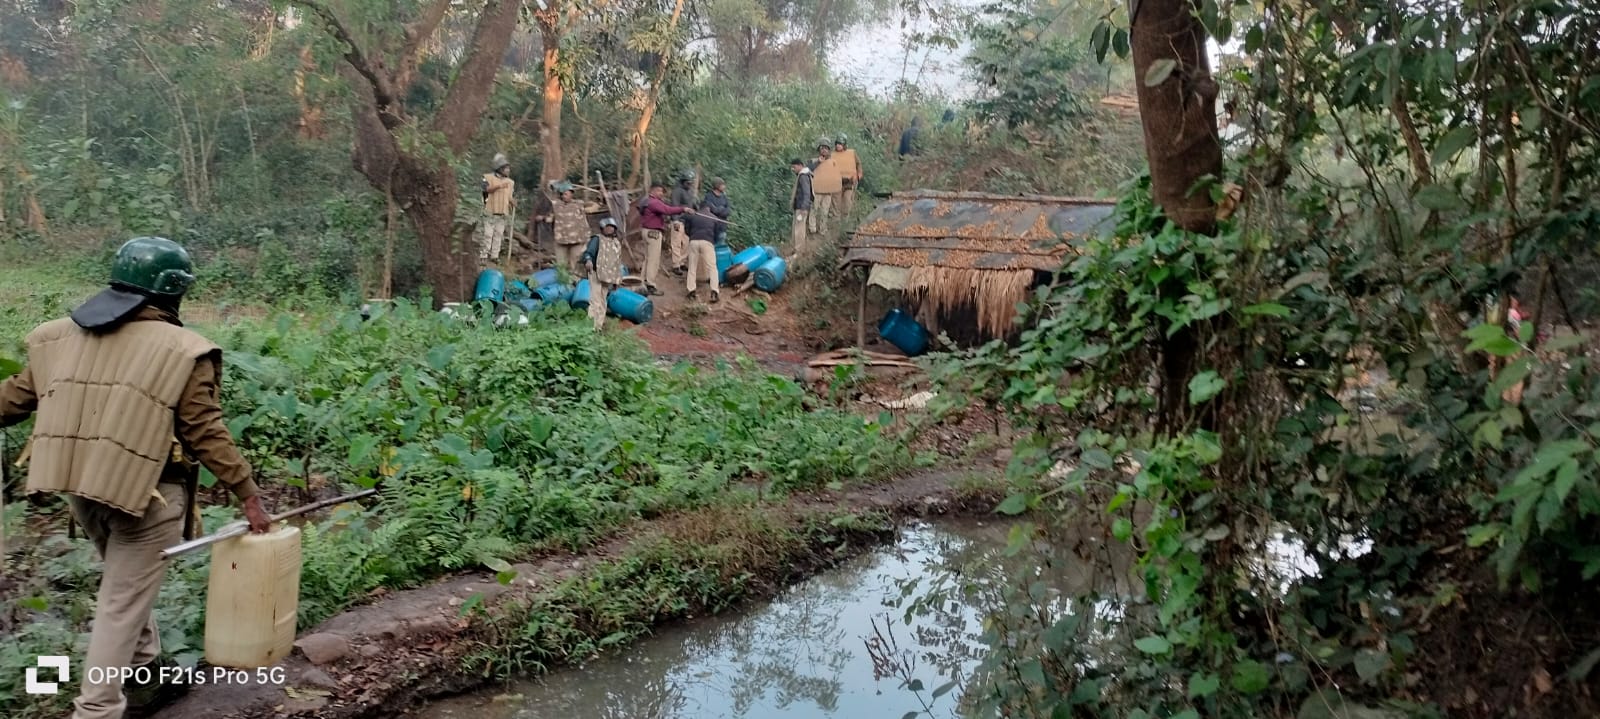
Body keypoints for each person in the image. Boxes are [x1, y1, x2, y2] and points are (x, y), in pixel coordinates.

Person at [0, 237, 272, 719]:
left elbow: (13, 400)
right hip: (147, 497)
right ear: (173, 293)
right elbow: (204, 430)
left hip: (82, 489)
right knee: (121, 603)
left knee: (129, 587)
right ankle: (97, 709)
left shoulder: (60, 337)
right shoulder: (184, 349)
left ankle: (147, 677)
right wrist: (248, 494)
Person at [636, 184, 688, 296]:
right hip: (653, 232)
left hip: (645, 231)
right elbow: (667, 210)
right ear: (653, 191)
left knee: (647, 258)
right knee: (653, 260)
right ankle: (651, 285)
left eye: (662, 191)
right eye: (659, 191)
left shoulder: (645, 201)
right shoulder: (654, 202)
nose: (661, 193)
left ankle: (643, 282)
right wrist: (683, 208)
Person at [580, 218, 624, 330]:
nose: (610, 229)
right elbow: (587, 253)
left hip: (607, 276)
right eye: (607, 227)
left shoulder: (616, 243)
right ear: (602, 228)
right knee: (595, 300)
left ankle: (598, 326)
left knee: (603, 301)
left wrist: (617, 279)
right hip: (595, 273)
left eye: (612, 227)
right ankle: (590, 327)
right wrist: (588, 260)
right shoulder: (597, 239)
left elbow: (617, 262)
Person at [478, 153, 515, 264]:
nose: (508, 171)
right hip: (490, 211)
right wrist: (498, 186)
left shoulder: (510, 182)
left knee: (498, 235)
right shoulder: (487, 178)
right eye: (506, 168)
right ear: (500, 169)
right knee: (488, 234)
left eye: (508, 168)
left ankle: (494, 256)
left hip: (503, 212)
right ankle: (483, 255)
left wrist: (513, 202)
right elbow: (485, 189)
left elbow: (509, 196)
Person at [545, 181, 588, 276]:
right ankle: (562, 282)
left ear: (572, 194)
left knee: (576, 264)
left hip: (576, 239)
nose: (564, 196)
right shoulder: (556, 205)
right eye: (562, 194)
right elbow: (549, 219)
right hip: (561, 239)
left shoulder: (579, 204)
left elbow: (584, 221)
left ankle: (575, 283)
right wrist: (543, 218)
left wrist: (586, 237)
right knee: (561, 265)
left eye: (566, 194)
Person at [682, 203, 721, 303]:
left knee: (692, 267)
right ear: (709, 208)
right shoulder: (714, 218)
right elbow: (717, 234)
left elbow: (687, 230)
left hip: (694, 241)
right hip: (707, 241)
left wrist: (692, 236)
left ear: (700, 207)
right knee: (712, 267)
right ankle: (714, 292)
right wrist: (712, 241)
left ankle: (691, 291)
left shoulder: (693, 216)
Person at [808, 138, 842, 236]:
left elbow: (836, 175)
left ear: (829, 150)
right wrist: (818, 162)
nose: (824, 150)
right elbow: (808, 169)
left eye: (826, 148)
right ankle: (812, 229)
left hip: (828, 192)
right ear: (819, 149)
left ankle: (823, 230)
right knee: (814, 210)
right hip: (816, 192)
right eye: (822, 148)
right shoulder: (813, 161)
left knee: (825, 212)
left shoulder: (833, 162)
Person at [668, 170, 697, 276]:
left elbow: (692, 204)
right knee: (676, 243)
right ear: (683, 181)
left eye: (691, 183)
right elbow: (674, 206)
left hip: (688, 221)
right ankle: (675, 264)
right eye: (688, 183)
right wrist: (675, 219)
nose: (690, 184)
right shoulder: (677, 191)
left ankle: (682, 262)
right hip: (678, 220)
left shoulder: (689, 191)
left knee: (686, 243)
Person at [789, 159, 814, 258]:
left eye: (794, 167)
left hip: (801, 207)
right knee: (797, 228)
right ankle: (796, 249)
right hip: (799, 206)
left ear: (800, 165)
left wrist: (804, 208)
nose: (793, 169)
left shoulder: (803, 176)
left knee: (799, 229)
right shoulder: (803, 175)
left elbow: (806, 193)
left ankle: (799, 251)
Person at [833, 136, 863, 216]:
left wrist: (859, 175)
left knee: (847, 202)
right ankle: (837, 223)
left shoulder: (852, 153)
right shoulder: (832, 155)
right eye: (837, 144)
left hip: (850, 182)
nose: (838, 146)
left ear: (844, 144)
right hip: (837, 183)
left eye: (840, 144)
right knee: (837, 204)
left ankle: (845, 222)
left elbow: (858, 164)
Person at [703, 177, 732, 248]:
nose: (724, 186)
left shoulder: (724, 197)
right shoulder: (709, 196)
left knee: (720, 248)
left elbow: (728, 210)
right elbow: (711, 209)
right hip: (712, 228)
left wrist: (720, 210)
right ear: (717, 185)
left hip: (722, 227)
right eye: (722, 185)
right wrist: (721, 209)